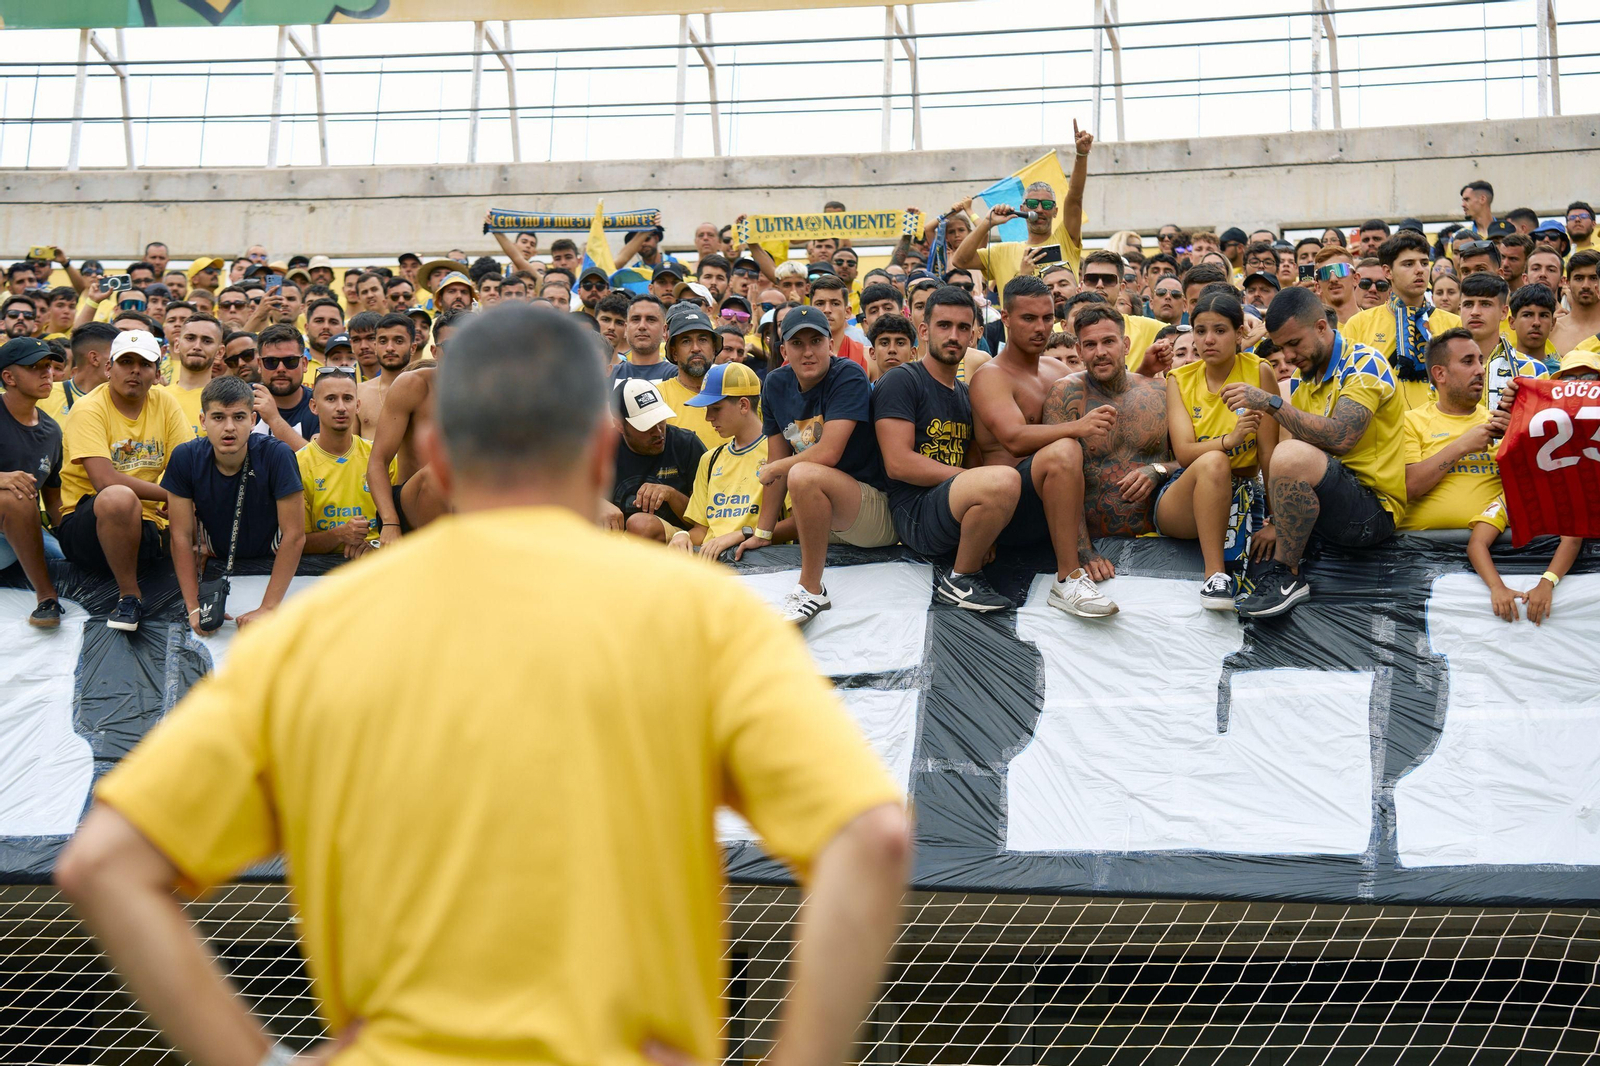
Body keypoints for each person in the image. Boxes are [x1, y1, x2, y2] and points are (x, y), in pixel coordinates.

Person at [56, 302, 910, 1066]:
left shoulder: (314, 635)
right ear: (604, 444)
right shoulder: (703, 619)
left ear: (434, 453)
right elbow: (869, 840)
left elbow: (106, 865)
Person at [1223, 286, 1406, 619]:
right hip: (1330, 502)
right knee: (1288, 452)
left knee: (1289, 453)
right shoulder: (1303, 378)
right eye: (1280, 347)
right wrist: (1278, 521)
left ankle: (1288, 575)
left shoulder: (1364, 363)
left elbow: (1341, 437)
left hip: (1372, 512)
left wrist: (1270, 402)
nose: (1289, 355)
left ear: (1322, 327)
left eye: (1294, 343)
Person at [1399, 328, 1582, 623]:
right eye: (1468, 362)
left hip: (1503, 563)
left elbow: (1546, 489)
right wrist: (1463, 445)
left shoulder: (1502, 422)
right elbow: (1409, 486)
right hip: (1422, 564)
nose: (1480, 371)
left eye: (1481, 361)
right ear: (1440, 374)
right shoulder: (1411, 422)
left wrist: (1521, 436)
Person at [736, 306, 894, 624]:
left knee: (803, 473)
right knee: (798, 473)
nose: (808, 352)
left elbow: (828, 453)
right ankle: (805, 581)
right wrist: (764, 532)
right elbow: (780, 455)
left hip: (874, 508)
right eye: (797, 343)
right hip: (828, 517)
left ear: (830, 345)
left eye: (816, 341)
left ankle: (811, 591)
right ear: (784, 351)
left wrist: (776, 468)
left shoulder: (848, 374)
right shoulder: (775, 386)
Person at [970, 278, 1117, 613]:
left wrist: (1149, 370)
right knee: (1065, 449)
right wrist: (1077, 426)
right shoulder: (991, 376)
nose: (1040, 328)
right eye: (1028, 318)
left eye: (1047, 318)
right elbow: (1013, 438)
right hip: (1010, 510)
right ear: (1005, 318)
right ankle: (1067, 579)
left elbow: (1110, 395)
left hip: (1057, 502)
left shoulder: (1056, 369)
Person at [872, 287, 1018, 610]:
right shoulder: (901, 380)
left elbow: (976, 459)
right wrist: (970, 482)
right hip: (913, 512)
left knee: (1009, 477)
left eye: (963, 328)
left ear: (974, 336)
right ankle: (961, 580)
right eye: (944, 325)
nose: (954, 336)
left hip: (951, 507)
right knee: (1003, 480)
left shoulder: (966, 393)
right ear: (923, 331)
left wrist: (987, 524)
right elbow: (898, 463)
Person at [57, 329, 189, 632]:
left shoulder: (166, 404)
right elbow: (104, 480)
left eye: (144, 364)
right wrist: (170, 496)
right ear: (108, 368)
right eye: (126, 361)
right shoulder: (89, 408)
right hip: (86, 527)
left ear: (157, 373)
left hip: (147, 525)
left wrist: (182, 498)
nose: (135, 370)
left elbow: (184, 466)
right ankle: (129, 596)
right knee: (118, 496)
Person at [162, 377, 304, 637]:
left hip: (271, 555)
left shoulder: (278, 455)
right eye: (218, 418)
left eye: (238, 417)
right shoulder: (185, 457)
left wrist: (268, 607)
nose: (229, 428)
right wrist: (194, 607)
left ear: (253, 420)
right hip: (218, 554)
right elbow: (180, 535)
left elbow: (294, 535)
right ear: (203, 421)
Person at [1041, 303, 1174, 581]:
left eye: (1108, 341)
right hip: (1094, 547)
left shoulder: (1161, 392)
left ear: (1125, 344)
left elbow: (1189, 456)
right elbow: (1058, 478)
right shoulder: (1065, 394)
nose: (1099, 352)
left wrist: (1159, 470)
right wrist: (1082, 549)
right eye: (1090, 344)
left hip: (1160, 540)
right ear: (1079, 351)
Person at [1163, 292, 1280, 606]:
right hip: (1184, 495)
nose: (1208, 340)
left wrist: (1276, 519)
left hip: (1245, 490)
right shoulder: (1178, 379)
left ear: (1240, 333)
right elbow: (1185, 453)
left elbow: (1269, 451)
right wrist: (1230, 440)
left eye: (1219, 330)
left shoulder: (1259, 372)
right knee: (1214, 461)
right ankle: (1214, 577)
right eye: (1200, 331)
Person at [671, 362, 794, 560]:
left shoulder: (780, 454)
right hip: (713, 570)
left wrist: (743, 534)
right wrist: (681, 536)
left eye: (716, 408)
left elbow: (799, 524)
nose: (708, 418)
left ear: (744, 405)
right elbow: (701, 531)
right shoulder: (710, 460)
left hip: (764, 569)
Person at [952, 123, 1092, 289]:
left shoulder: (1066, 240)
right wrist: (987, 223)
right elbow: (959, 261)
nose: (1039, 209)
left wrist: (1081, 155)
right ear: (1023, 208)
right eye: (1033, 204)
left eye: (1047, 205)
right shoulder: (1002, 252)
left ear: (1055, 211)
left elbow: (1074, 198)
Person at [1340, 231, 1463, 411]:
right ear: (1387, 271)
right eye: (1408, 264)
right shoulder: (1359, 324)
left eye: (1423, 262)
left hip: (1441, 433)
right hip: (1385, 433)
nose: (1420, 269)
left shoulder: (1454, 324)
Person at [0, 337, 67, 627]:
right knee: (17, 494)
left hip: (21, 536)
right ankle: (46, 598)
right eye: (35, 367)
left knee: (70, 560)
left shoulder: (51, 430)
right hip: (11, 519)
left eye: (50, 366)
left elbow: (53, 499)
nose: (47, 373)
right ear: (8, 377)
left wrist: (72, 534)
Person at [604, 377, 706, 541]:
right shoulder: (603, 447)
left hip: (678, 540)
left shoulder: (686, 444)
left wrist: (671, 494)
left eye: (661, 420)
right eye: (646, 425)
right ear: (620, 426)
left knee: (641, 524)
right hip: (613, 542)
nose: (658, 431)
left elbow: (706, 520)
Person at [299, 369, 384, 559]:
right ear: (313, 406)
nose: (341, 407)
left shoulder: (381, 458)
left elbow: (402, 528)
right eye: (330, 399)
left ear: (358, 405)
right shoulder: (297, 464)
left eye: (347, 398)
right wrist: (339, 535)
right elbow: (296, 541)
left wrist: (376, 546)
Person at [1076, 250, 1166, 369]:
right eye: (1092, 279)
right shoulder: (1059, 330)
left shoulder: (1146, 328)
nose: (1099, 284)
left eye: (1109, 279)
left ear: (1121, 287)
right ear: (1081, 286)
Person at [656, 307, 723, 448]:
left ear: (714, 349)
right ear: (674, 353)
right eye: (686, 341)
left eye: (703, 340)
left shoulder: (735, 392)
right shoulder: (658, 397)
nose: (696, 348)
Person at [251, 323, 319, 448]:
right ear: (259, 365)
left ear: (304, 364)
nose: (281, 369)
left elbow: (317, 462)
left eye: (290, 361)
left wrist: (274, 419)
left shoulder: (320, 406)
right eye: (271, 362)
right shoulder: (242, 399)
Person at [160, 313, 224, 439]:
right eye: (190, 338)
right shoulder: (155, 396)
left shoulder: (227, 400)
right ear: (177, 345)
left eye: (207, 341)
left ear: (219, 352)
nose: (197, 346)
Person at [40, 322, 116, 422]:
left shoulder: (124, 403)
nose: (122, 365)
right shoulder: (44, 396)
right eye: (115, 356)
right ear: (95, 358)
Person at [355, 313, 415, 439]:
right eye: (383, 341)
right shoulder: (359, 392)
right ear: (375, 347)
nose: (389, 348)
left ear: (412, 348)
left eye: (398, 341)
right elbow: (350, 449)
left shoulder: (427, 392)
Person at [611, 295, 676, 383]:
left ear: (664, 330)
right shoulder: (609, 375)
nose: (642, 326)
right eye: (636, 319)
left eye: (651, 320)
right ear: (626, 329)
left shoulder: (678, 377)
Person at [808, 273, 867, 370]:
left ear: (847, 312)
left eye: (835, 304)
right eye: (820, 303)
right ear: (810, 311)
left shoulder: (865, 355)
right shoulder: (797, 357)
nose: (827, 310)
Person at [1552, 250, 1600, 355]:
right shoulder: (1553, 330)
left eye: (1593, 278)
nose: (1586, 285)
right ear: (1568, 283)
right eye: (1579, 278)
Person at [868, 312, 917, 379]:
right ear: (872, 353)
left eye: (900, 343)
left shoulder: (925, 388)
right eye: (884, 343)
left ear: (913, 352)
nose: (892, 349)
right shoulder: (863, 389)